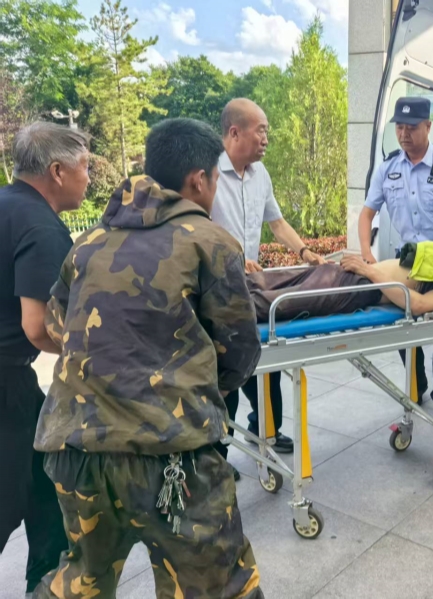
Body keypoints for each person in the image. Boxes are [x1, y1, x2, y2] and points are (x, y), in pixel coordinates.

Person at [33, 118, 264, 598]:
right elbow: (239, 352)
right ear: (198, 180)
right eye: (215, 179)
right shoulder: (210, 242)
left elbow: (56, 326)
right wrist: (191, 390)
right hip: (171, 459)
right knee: (213, 588)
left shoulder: (88, 244)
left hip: (76, 452)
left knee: (83, 582)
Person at [0, 122, 87, 596]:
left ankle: (46, 582)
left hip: (15, 381)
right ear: (57, 171)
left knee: (45, 482)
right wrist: (95, 350)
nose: (88, 178)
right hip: (5, 383)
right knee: (12, 496)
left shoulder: (5, 204)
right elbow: (37, 327)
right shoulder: (41, 225)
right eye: (85, 168)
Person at [211, 98, 324, 462]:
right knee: (225, 372)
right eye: (260, 131)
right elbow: (195, 228)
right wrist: (230, 257)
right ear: (234, 132)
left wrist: (305, 252)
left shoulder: (260, 174)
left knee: (265, 364)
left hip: (250, 285)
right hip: (214, 287)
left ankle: (267, 431)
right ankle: (218, 458)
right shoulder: (208, 172)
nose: (266, 139)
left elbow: (276, 223)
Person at [357, 96, 433, 423]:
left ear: (428, 126)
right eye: (399, 127)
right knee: (404, 326)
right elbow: (367, 214)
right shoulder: (388, 168)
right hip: (409, 262)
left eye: (411, 128)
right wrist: (367, 254)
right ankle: (417, 384)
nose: (404, 134)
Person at [247, 238, 433, 321]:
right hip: (348, 274)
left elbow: (418, 305)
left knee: (269, 303)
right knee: (259, 281)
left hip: (360, 286)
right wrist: (364, 268)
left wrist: (369, 271)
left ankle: (224, 312)